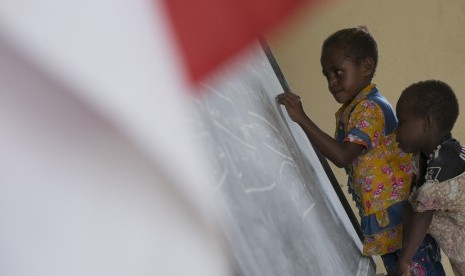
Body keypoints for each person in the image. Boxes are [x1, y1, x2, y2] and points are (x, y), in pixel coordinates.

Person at [276, 26, 445, 275]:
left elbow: (342, 155)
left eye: (338, 72)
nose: (332, 82)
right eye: (327, 75)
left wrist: (302, 118)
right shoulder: (352, 109)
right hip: (391, 231)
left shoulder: (370, 108)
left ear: (365, 67)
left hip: (405, 229)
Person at [394, 80, 465, 276]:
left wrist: (405, 261)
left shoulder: (445, 161)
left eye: (401, 122)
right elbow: (412, 203)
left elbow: (424, 212)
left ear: (426, 123)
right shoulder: (425, 158)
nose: (396, 131)